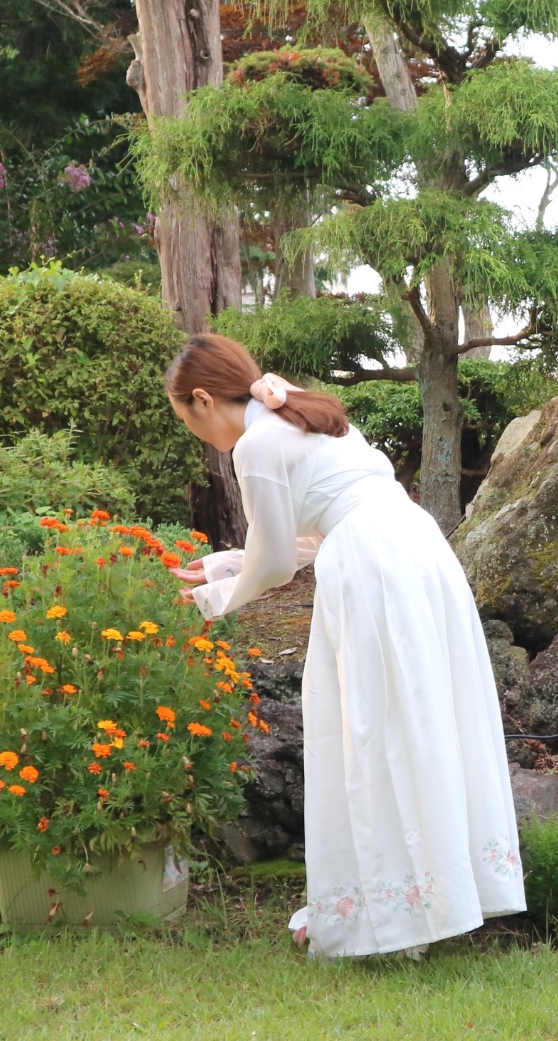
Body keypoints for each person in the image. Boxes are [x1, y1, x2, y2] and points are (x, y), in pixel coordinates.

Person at [165, 333, 525, 958]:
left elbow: (277, 562)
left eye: (189, 423)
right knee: (421, 720)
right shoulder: (297, 409)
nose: (200, 441)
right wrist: (224, 565)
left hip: (372, 567)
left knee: (371, 732)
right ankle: (430, 894)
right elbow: (313, 523)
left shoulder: (256, 443)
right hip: (414, 546)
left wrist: (214, 602)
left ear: (203, 399)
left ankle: (399, 911)